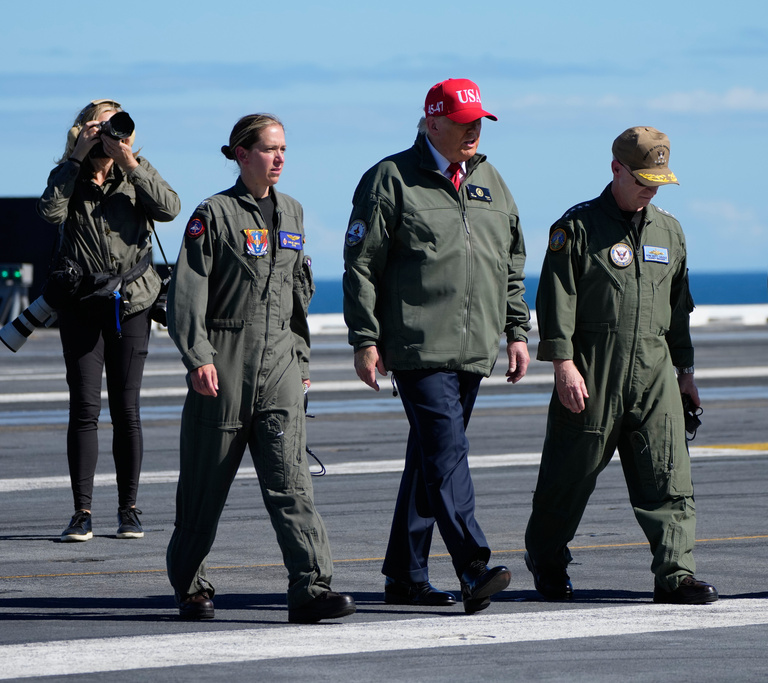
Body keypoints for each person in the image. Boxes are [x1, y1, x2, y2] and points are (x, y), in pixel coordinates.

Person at [343, 78, 531, 614]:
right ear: (432, 122)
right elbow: (362, 265)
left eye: (478, 121)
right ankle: (474, 565)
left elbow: (510, 262)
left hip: (474, 346)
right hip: (417, 344)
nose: (473, 129)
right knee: (448, 454)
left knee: (430, 459)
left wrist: (517, 330)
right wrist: (365, 338)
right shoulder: (391, 178)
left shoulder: (491, 180)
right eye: (462, 121)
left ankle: (405, 575)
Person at [165, 114, 354, 623]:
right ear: (241, 153)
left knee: (292, 483)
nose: (279, 158)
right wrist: (198, 357)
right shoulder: (214, 214)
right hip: (224, 366)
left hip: (280, 369)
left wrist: (303, 363)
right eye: (269, 149)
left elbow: (296, 300)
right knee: (204, 490)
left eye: (284, 150)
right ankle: (191, 586)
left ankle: (311, 588)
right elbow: (187, 292)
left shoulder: (292, 213)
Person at [523, 127, 719, 605]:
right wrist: (563, 365)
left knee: (668, 475)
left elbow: (678, 310)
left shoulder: (669, 231)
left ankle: (675, 575)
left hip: (655, 374)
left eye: (658, 181)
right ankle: (547, 562)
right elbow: (556, 301)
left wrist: (686, 373)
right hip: (594, 371)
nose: (650, 189)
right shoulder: (578, 228)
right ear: (616, 169)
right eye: (642, 180)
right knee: (568, 478)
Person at [38, 99, 180, 542]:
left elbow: (170, 208)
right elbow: (49, 212)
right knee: (84, 409)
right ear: (84, 128)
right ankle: (81, 512)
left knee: (127, 408)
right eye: (101, 124)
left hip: (131, 301)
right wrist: (79, 156)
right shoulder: (69, 172)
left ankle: (129, 509)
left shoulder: (135, 170)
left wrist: (130, 162)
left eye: (116, 124)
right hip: (81, 301)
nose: (111, 132)